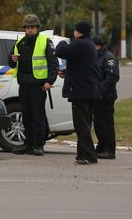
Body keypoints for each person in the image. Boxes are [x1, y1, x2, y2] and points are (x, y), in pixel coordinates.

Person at [7, 14, 58, 156]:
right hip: (24, 84)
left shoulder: (45, 42)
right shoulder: (20, 43)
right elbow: (10, 62)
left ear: (37, 28)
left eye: (32, 28)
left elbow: (53, 64)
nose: (29, 30)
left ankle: (38, 145)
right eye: (27, 28)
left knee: (38, 116)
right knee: (26, 116)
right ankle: (28, 144)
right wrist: (13, 59)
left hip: (38, 85)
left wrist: (49, 81)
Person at [55, 21, 101, 165]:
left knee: (81, 125)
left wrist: (61, 42)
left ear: (78, 32)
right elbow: (82, 67)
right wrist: (67, 73)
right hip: (89, 90)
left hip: (81, 91)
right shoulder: (89, 44)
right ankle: (81, 154)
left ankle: (89, 154)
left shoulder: (81, 44)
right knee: (85, 124)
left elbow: (60, 51)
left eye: (74, 31)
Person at [92, 36, 120, 160]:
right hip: (96, 96)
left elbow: (112, 77)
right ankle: (101, 146)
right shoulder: (95, 57)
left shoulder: (109, 58)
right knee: (98, 124)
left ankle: (109, 149)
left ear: (98, 46)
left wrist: (99, 90)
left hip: (106, 97)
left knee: (106, 124)